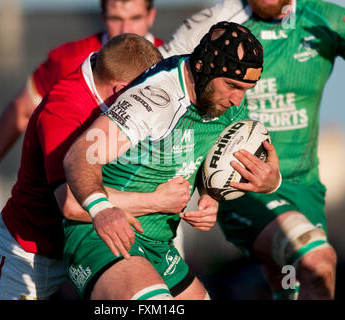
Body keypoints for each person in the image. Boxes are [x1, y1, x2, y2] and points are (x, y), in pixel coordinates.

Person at [63, 21, 282, 300]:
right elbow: (80, 154)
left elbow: (213, 153)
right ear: (204, 68)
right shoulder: (156, 99)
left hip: (158, 245)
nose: (238, 100)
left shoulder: (221, 99)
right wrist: (102, 209)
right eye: (232, 86)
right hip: (102, 235)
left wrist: (222, 192)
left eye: (245, 89)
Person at [159, 0, 345, 300]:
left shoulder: (324, 18)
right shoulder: (217, 22)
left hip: (304, 186)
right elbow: (156, 77)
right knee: (317, 262)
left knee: (293, 284)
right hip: (239, 185)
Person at [0, 34, 201, 300]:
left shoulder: (129, 98)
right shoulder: (63, 110)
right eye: (146, 89)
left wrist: (210, 193)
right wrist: (157, 201)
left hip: (101, 241)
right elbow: (72, 204)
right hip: (34, 248)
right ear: (121, 90)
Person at [0, 0, 161, 212]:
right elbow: (21, 111)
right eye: (115, 18)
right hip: (68, 210)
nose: (125, 29)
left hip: (152, 212)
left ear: (151, 16)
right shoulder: (69, 59)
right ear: (102, 17)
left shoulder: (171, 62)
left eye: (135, 18)